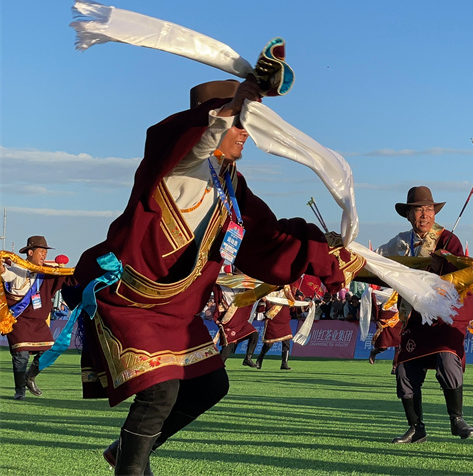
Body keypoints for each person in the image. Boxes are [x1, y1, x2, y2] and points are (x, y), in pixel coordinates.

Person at [67, 78, 365, 476]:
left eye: (247, 124)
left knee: (210, 385)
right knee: (160, 392)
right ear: (212, 120)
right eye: (239, 124)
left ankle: (126, 451)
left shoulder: (231, 183)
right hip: (133, 299)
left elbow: (265, 240)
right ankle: (130, 468)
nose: (246, 134)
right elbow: (188, 140)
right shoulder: (179, 162)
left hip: (175, 309)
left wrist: (324, 251)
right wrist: (233, 106)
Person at [377, 186, 473, 444]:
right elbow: (377, 261)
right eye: (418, 210)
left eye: (429, 209)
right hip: (415, 317)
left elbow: (463, 274)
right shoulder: (400, 243)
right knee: (404, 370)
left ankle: (457, 419)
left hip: (444, 316)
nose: (424, 214)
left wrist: (443, 265)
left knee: (447, 358)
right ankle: (416, 428)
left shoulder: (448, 239)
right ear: (408, 215)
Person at [1, 236, 77, 400]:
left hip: (39, 322)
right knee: (21, 356)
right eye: (41, 251)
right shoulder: (17, 268)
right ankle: (20, 391)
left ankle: (30, 377)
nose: (44, 255)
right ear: (30, 252)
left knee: (49, 351)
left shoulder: (48, 272)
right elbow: (6, 275)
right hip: (18, 320)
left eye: (45, 252)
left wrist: (83, 270)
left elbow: (69, 279)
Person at [255, 286, 303, 370]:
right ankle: (260, 359)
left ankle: (284, 363)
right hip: (273, 319)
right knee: (269, 343)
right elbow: (262, 303)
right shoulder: (270, 289)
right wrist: (264, 299)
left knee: (286, 343)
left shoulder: (288, 291)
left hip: (284, 320)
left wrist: (300, 301)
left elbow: (293, 307)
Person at [213, 284, 259, 368]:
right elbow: (217, 302)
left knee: (254, 334)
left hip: (241, 322)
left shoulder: (244, 287)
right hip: (228, 323)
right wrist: (216, 317)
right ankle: (216, 368)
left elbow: (258, 291)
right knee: (226, 352)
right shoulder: (221, 287)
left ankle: (248, 358)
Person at [369, 290, 401, 365]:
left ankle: (395, 366)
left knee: (398, 345)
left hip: (398, 319)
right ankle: (374, 352)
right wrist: (371, 293)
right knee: (383, 346)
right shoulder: (387, 291)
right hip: (386, 319)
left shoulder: (404, 291)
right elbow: (376, 301)